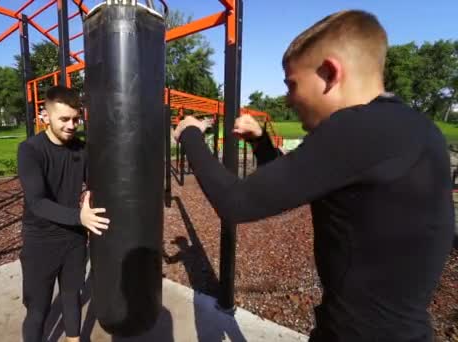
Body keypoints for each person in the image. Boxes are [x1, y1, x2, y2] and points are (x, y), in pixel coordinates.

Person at [173, 10, 454, 342]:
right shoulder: (418, 130)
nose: (290, 100)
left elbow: (234, 203)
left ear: (331, 72)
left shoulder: (354, 129)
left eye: (293, 84)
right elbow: (297, 184)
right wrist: (261, 142)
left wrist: (190, 135)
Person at [17, 86, 110, 342]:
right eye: (64, 119)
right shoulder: (30, 150)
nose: (71, 125)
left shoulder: (81, 149)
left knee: (72, 297)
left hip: (74, 240)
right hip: (40, 242)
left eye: (76, 119)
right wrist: (79, 217)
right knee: (38, 309)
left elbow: (96, 181)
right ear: (45, 116)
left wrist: (91, 195)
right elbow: (37, 202)